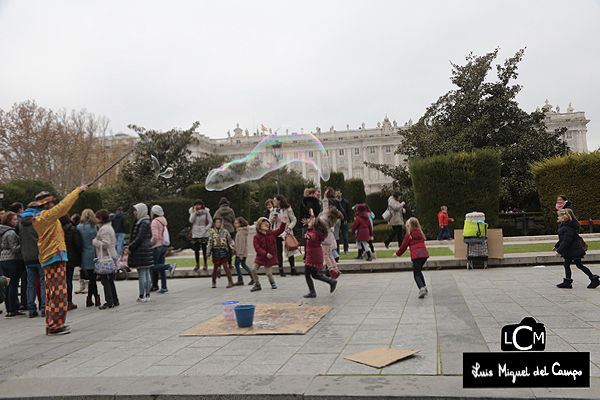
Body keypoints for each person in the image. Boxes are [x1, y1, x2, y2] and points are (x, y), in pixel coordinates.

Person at [31, 186, 88, 335]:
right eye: (51, 203)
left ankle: (52, 324)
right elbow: (63, 206)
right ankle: (56, 325)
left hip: (52, 256)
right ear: (45, 204)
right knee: (58, 293)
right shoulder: (45, 217)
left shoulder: (42, 217)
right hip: (54, 256)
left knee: (53, 293)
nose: (54, 205)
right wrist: (78, 190)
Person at [554, 208, 598, 289]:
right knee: (567, 264)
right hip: (571, 250)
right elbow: (563, 239)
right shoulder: (565, 226)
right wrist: (557, 246)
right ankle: (567, 282)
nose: (558, 218)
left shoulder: (568, 228)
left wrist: (559, 251)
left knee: (579, 265)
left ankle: (594, 279)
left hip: (574, 250)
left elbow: (567, 241)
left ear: (564, 217)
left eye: (559, 216)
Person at [393, 217, 430, 298]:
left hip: (416, 256)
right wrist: (412, 250)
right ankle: (424, 287)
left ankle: (421, 288)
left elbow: (404, 246)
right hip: (424, 255)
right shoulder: (420, 233)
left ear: (409, 225)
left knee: (416, 273)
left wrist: (397, 253)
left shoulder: (409, 235)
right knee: (419, 271)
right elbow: (419, 244)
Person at [19, 203, 45, 318]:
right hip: (39, 254)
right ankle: (44, 307)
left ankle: (31, 309)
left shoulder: (21, 222)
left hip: (26, 256)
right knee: (44, 282)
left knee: (30, 283)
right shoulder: (37, 220)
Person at [303, 216, 338, 298]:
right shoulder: (316, 232)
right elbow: (313, 221)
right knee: (315, 275)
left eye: (310, 222)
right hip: (315, 255)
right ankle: (331, 281)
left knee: (307, 274)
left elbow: (313, 237)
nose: (309, 223)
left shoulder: (313, 234)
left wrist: (309, 237)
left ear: (313, 225)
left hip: (312, 256)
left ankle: (312, 292)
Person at [251, 216, 287, 292]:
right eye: (264, 224)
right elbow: (257, 248)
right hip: (261, 257)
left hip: (269, 257)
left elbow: (280, 231)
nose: (266, 224)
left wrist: (283, 223)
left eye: (267, 223)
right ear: (259, 226)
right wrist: (265, 253)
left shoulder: (271, 233)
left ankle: (272, 282)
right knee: (254, 269)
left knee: (268, 273)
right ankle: (257, 284)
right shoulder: (256, 236)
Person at [93, 209, 120, 308]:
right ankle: (114, 299)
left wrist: (95, 242)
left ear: (100, 218)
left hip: (105, 258)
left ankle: (109, 300)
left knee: (105, 280)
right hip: (111, 256)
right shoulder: (109, 227)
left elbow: (105, 243)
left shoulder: (104, 229)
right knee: (110, 280)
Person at [129, 203, 154, 302]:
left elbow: (139, 238)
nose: (134, 212)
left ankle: (141, 295)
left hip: (140, 251)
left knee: (142, 274)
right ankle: (147, 294)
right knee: (147, 273)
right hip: (147, 250)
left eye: (136, 210)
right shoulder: (147, 221)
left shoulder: (142, 223)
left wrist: (130, 247)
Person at [1, 212, 24, 317]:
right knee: (13, 285)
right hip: (12, 260)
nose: (16, 221)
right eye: (14, 219)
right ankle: (12, 308)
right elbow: (14, 249)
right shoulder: (11, 233)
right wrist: (23, 244)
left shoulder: (3, 231)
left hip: (3, 259)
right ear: (8, 221)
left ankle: (8, 309)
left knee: (7, 284)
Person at [150, 205, 176, 294]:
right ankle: (164, 287)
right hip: (164, 246)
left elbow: (155, 236)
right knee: (161, 267)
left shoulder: (154, 222)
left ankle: (169, 266)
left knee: (151, 266)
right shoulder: (163, 220)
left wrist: (150, 244)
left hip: (157, 246)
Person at [270, 194, 298, 277]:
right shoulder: (273, 210)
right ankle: (280, 269)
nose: (273, 202)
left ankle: (293, 268)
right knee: (278, 251)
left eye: (275, 200)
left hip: (286, 231)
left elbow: (293, 219)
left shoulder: (287, 209)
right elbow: (268, 222)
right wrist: (272, 220)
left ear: (279, 201)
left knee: (290, 249)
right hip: (277, 231)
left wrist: (289, 228)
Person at [78, 209, 100, 308]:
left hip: (84, 254)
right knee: (93, 278)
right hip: (95, 253)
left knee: (91, 277)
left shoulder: (79, 227)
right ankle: (95, 297)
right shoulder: (95, 227)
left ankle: (91, 298)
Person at [60, 214, 82, 311]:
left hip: (59, 257)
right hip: (70, 257)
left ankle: (61, 301)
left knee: (60, 281)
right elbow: (78, 244)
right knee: (68, 279)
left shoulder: (57, 230)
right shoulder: (73, 229)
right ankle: (68, 301)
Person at [207, 217, 236, 289]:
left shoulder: (225, 232)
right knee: (215, 267)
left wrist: (233, 250)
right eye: (216, 222)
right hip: (215, 250)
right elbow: (210, 242)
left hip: (224, 250)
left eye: (219, 222)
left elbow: (230, 241)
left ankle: (230, 281)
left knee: (225, 266)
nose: (218, 224)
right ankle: (214, 281)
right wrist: (208, 253)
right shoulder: (212, 231)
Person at [319, 206, 344, 280]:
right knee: (330, 255)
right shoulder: (331, 219)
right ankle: (336, 269)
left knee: (326, 255)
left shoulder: (324, 219)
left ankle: (331, 270)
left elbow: (317, 221)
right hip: (329, 238)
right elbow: (325, 208)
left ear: (329, 213)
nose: (325, 209)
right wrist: (325, 199)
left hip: (325, 239)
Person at [189, 199, 212, 271]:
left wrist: (206, 229)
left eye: (199, 205)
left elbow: (210, 221)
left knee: (204, 249)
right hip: (195, 231)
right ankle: (197, 263)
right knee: (196, 249)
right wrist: (195, 213)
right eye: (196, 205)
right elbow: (191, 220)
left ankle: (205, 263)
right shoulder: (192, 212)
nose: (198, 206)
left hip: (203, 231)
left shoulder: (206, 212)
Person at [71, 213, 88, 295]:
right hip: (79, 251)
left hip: (82, 250)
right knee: (81, 269)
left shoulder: (79, 228)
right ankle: (82, 285)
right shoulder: (76, 228)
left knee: (84, 269)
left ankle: (86, 285)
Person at [233, 217, 253, 286]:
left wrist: (240, 253)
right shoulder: (241, 231)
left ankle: (241, 278)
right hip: (240, 252)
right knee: (242, 264)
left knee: (239, 264)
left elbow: (241, 243)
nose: (235, 224)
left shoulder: (241, 232)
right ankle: (251, 276)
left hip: (240, 252)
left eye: (237, 223)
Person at [335, 189, 352, 255]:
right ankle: (337, 250)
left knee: (345, 237)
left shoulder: (346, 202)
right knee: (336, 237)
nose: (337, 195)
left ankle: (346, 249)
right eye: (336, 193)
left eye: (338, 193)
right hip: (337, 222)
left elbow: (349, 212)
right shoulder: (335, 202)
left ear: (341, 193)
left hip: (344, 221)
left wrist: (347, 220)